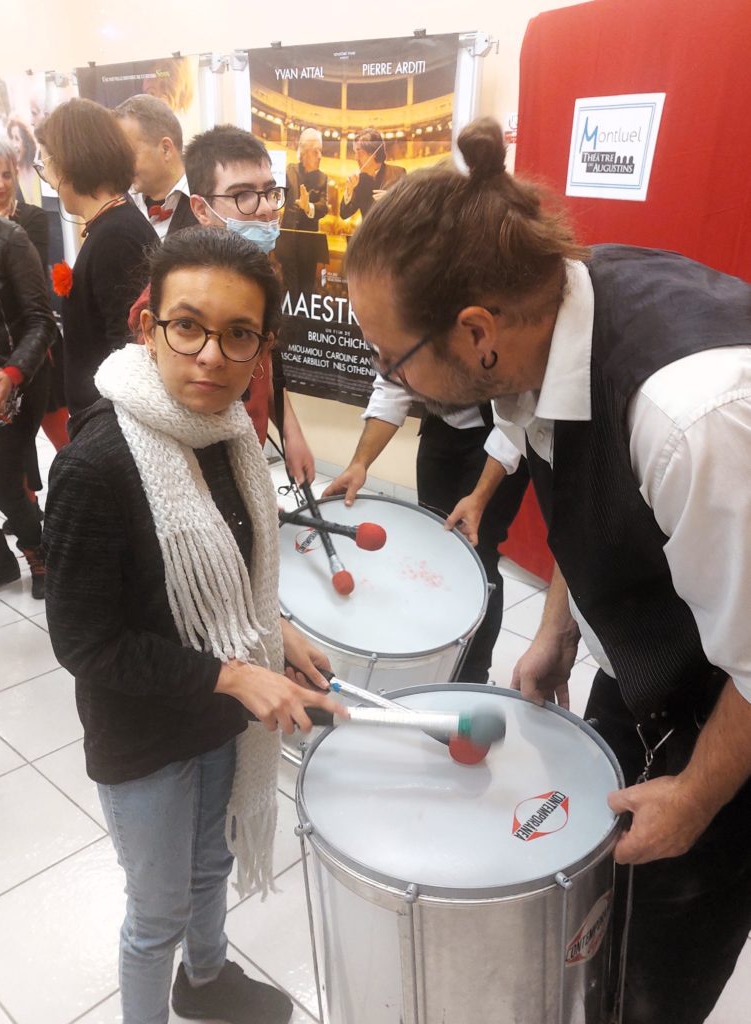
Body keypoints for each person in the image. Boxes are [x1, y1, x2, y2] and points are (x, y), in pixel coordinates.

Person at [343, 117, 751, 1024]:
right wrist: (558, 629)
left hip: (733, 721)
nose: (386, 377)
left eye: (393, 358)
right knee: (593, 928)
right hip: (656, 662)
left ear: (475, 331)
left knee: (657, 973)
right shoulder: (549, 321)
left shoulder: (692, 415)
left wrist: (689, 799)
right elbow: (577, 473)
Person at [43, 226, 345, 1024]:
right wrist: (233, 672)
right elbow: (83, 642)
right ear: (150, 328)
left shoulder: (233, 437)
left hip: (218, 714)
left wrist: (272, 628)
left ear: (261, 348)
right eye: (188, 326)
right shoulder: (95, 466)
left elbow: (234, 577)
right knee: (155, 914)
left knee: (213, 860)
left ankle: (205, 981)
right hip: (143, 732)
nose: (210, 356)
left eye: (237, 334)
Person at [324, 373, 529, 682]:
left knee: (477, 558)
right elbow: (392, 387)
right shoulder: (399, 337)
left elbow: (517, 422)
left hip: (502, 437)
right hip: (442, 428)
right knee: (432, 544)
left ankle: (470, 676)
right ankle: (431, 648)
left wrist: (479, 496)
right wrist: (359, 463)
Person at [186, 124, 315, 482]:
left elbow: (267, 363)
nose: (264, 210)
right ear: (201, 208)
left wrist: (291, 433)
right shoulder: (180, 295)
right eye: (243, 195)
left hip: (248, 458)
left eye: (270, 193)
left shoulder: (263, 273)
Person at [34, 98, 157, 415]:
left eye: (45, 164)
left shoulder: (117, 237)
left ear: (67, 164)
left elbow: (130, 354)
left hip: (111, 427)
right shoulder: (113, 227)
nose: (46, 177)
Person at [0, 131, 59, 534]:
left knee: (8, 478)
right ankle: (1, 554)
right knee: (7, 480)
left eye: (6, 174)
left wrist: (13, 372)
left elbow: (38, 314)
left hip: (23, 363)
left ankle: (38, 547)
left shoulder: (22, 227)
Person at [115, 94, 197, 239]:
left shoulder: (209, 202)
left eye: (128, 153)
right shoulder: (119, 206)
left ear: (166, 149)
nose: (122, 165)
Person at [276, 127, 329, 302]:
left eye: (321, 151)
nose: (320, 156)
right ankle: (289, 327)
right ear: (304, 153)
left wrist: (309, 207)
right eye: (316, 151)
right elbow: (277, 196)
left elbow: (323, 207)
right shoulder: (289, 170)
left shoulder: (323, 178)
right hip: (288, 243)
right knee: (289, 293)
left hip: (309, 248)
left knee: (307, 292)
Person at [340, 129, 406, 222]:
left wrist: (391, 200)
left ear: (374, 153)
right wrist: (349, 191)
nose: (356, 158)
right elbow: (344, 214)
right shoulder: (359, 181)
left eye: (359, 152)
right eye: (355, 152)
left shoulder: (398, 173)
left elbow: (408, 209)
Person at [7, 116, 41, 206]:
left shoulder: (41, 172)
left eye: (17, 139)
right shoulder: (11, 179)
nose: (13, 145)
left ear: (26, 142)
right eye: (11, 139)